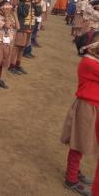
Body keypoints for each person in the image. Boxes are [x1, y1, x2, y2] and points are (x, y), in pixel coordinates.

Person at [61, 30, 98, 196]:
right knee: (79, 143)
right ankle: (71, 178)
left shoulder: (93, 60)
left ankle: (74, 171)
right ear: (90, 48)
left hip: (93, 107)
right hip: (87, 107)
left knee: (84, 141)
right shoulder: (89, 63)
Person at [8, 0, 41, 75]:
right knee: (17, 47)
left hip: (29, 29)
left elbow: (38, 13)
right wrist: (26, 2)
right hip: (22, 29)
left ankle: (18, 65)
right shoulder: (21, 3)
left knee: (22, 48)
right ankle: (12, 65)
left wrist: (37, 2)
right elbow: (24, 13)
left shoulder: (32, 3)